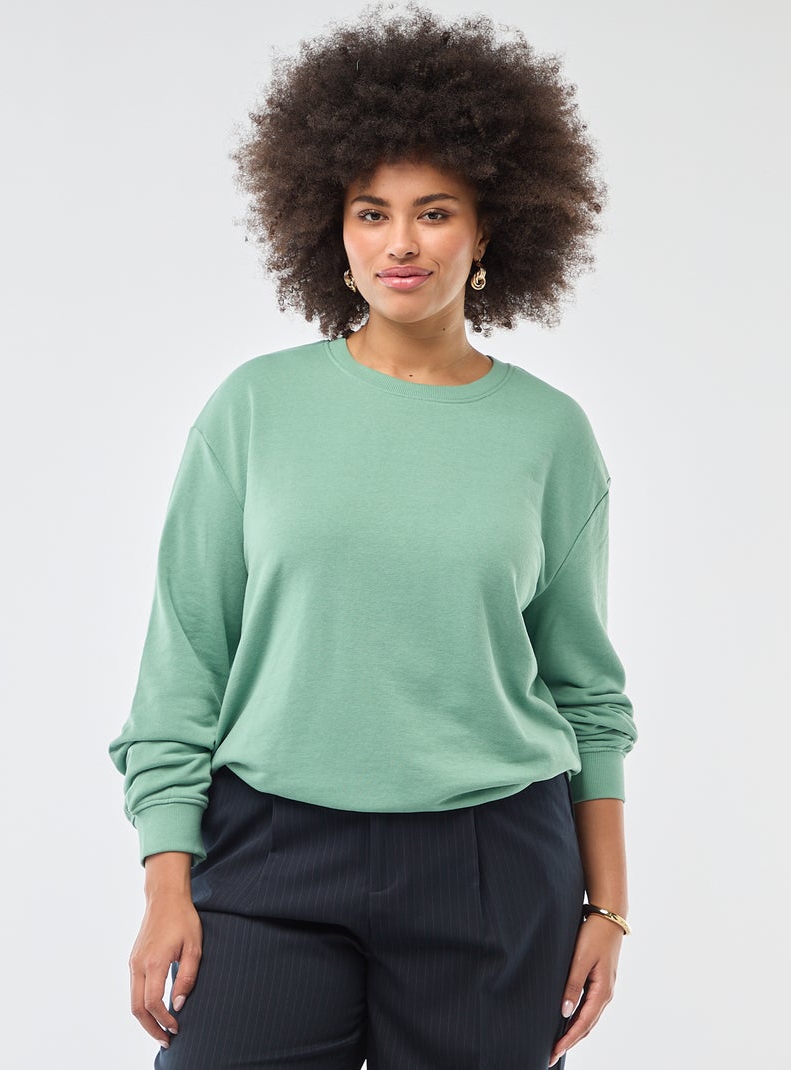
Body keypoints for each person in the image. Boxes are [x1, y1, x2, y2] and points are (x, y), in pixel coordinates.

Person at [109, 6, 638, 1069]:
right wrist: (167, 875)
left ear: (488, 230)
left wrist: (608, 906)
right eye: (371, 212)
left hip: (493, 860)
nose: (400, 243)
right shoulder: (253, 409)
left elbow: (585, 691)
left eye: (434, 212)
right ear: (333, 229)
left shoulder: (548, 435)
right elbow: (185, 660)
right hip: (270, 849)